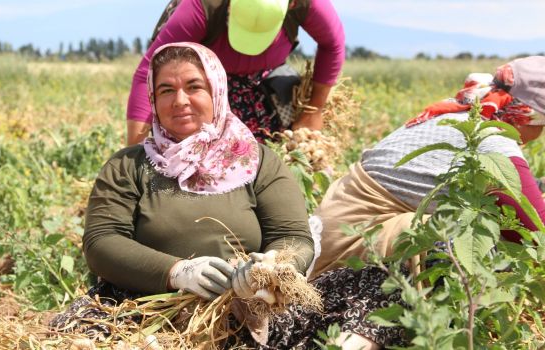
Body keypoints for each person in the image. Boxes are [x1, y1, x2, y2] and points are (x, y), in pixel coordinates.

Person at [50, 42, 406, 350]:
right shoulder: (129, 166)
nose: (181, 100)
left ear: (217, 91)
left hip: (253, 305)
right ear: (153, 100)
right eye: (166, 90)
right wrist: (177, 272)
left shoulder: (258, 161)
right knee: (79, 333)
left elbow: (294, 237)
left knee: (381, 282)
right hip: (148, 308)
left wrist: (269, 270)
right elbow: (102, 242)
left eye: (194, 86)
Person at [309, 56, 545, 285]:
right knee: (475, 239)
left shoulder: (454, 112)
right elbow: (536, 238)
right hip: (351, 251)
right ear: (528, 116)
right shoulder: (494, 143)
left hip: (324, 238)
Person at [125, 0, 345, 145]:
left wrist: (312, 111)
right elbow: (149, 70)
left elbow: (333, 44)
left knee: (292, 153)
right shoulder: (203, 6)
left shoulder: (305, 3)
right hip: (210, 85)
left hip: (268, 81)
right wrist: (136, 151)